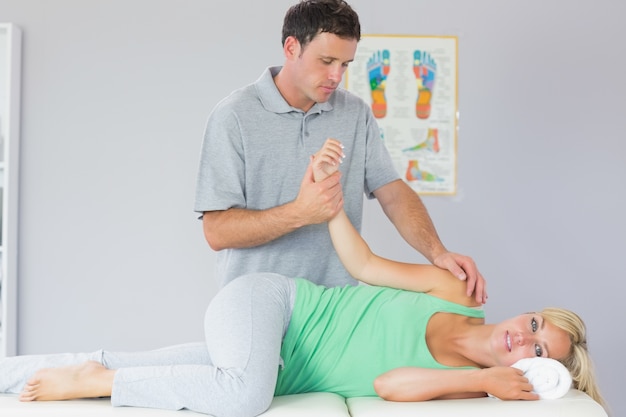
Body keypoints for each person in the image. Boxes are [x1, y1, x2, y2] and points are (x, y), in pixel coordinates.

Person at [0, 142, 605, 417]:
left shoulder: (469, 380)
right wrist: (328, 200)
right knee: (241, 396)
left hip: (275, 357)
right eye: (533, 325)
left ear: (536, 373)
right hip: (274, 305)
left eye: (538, 351)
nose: (522, 340)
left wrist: (486, 385)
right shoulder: (453, 292)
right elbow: (365, 266)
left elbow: (391, 384)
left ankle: (56, 372)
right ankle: (102, 384)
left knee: (158, 364)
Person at [193, 0, 487, 303]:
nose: (337, 76)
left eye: (345, 64)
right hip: (254, 305)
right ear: (292, 47)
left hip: (333, 311)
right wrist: (300, 213)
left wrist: (437, 252)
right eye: (326, 61)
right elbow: (216, 231)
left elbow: (393, 193)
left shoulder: (355, 113)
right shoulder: (234, 115)